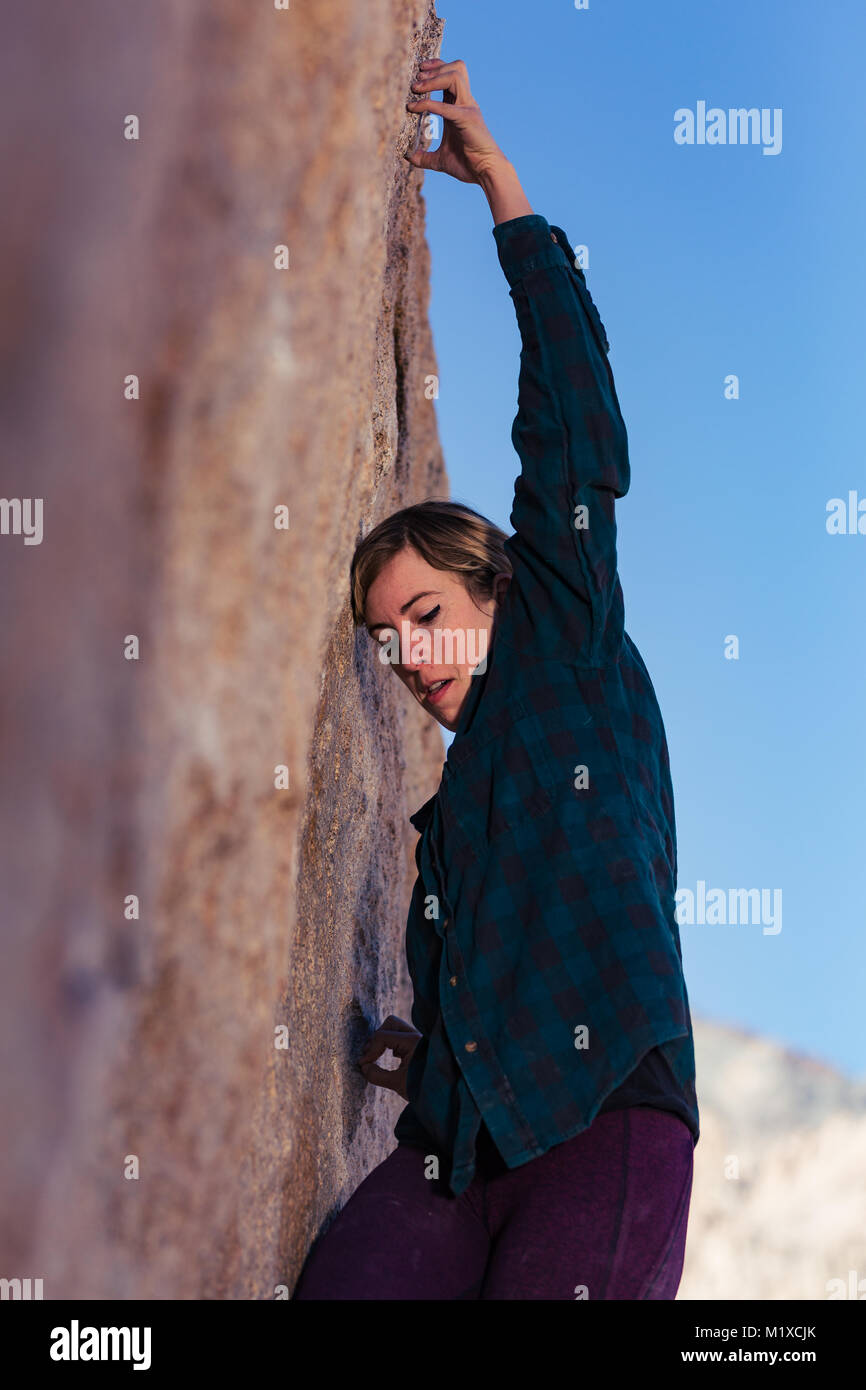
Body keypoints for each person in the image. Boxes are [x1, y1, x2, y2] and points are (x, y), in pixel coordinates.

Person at [293, 55, 699, 1301]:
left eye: (424, 614)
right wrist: (415, 1057)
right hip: (453, 1159)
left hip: (606, 1127)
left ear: (497, 584)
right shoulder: (454, 815)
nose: (408, 656)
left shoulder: (567, 639)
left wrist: (498, 192)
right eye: (385, 640)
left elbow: (573, 418)